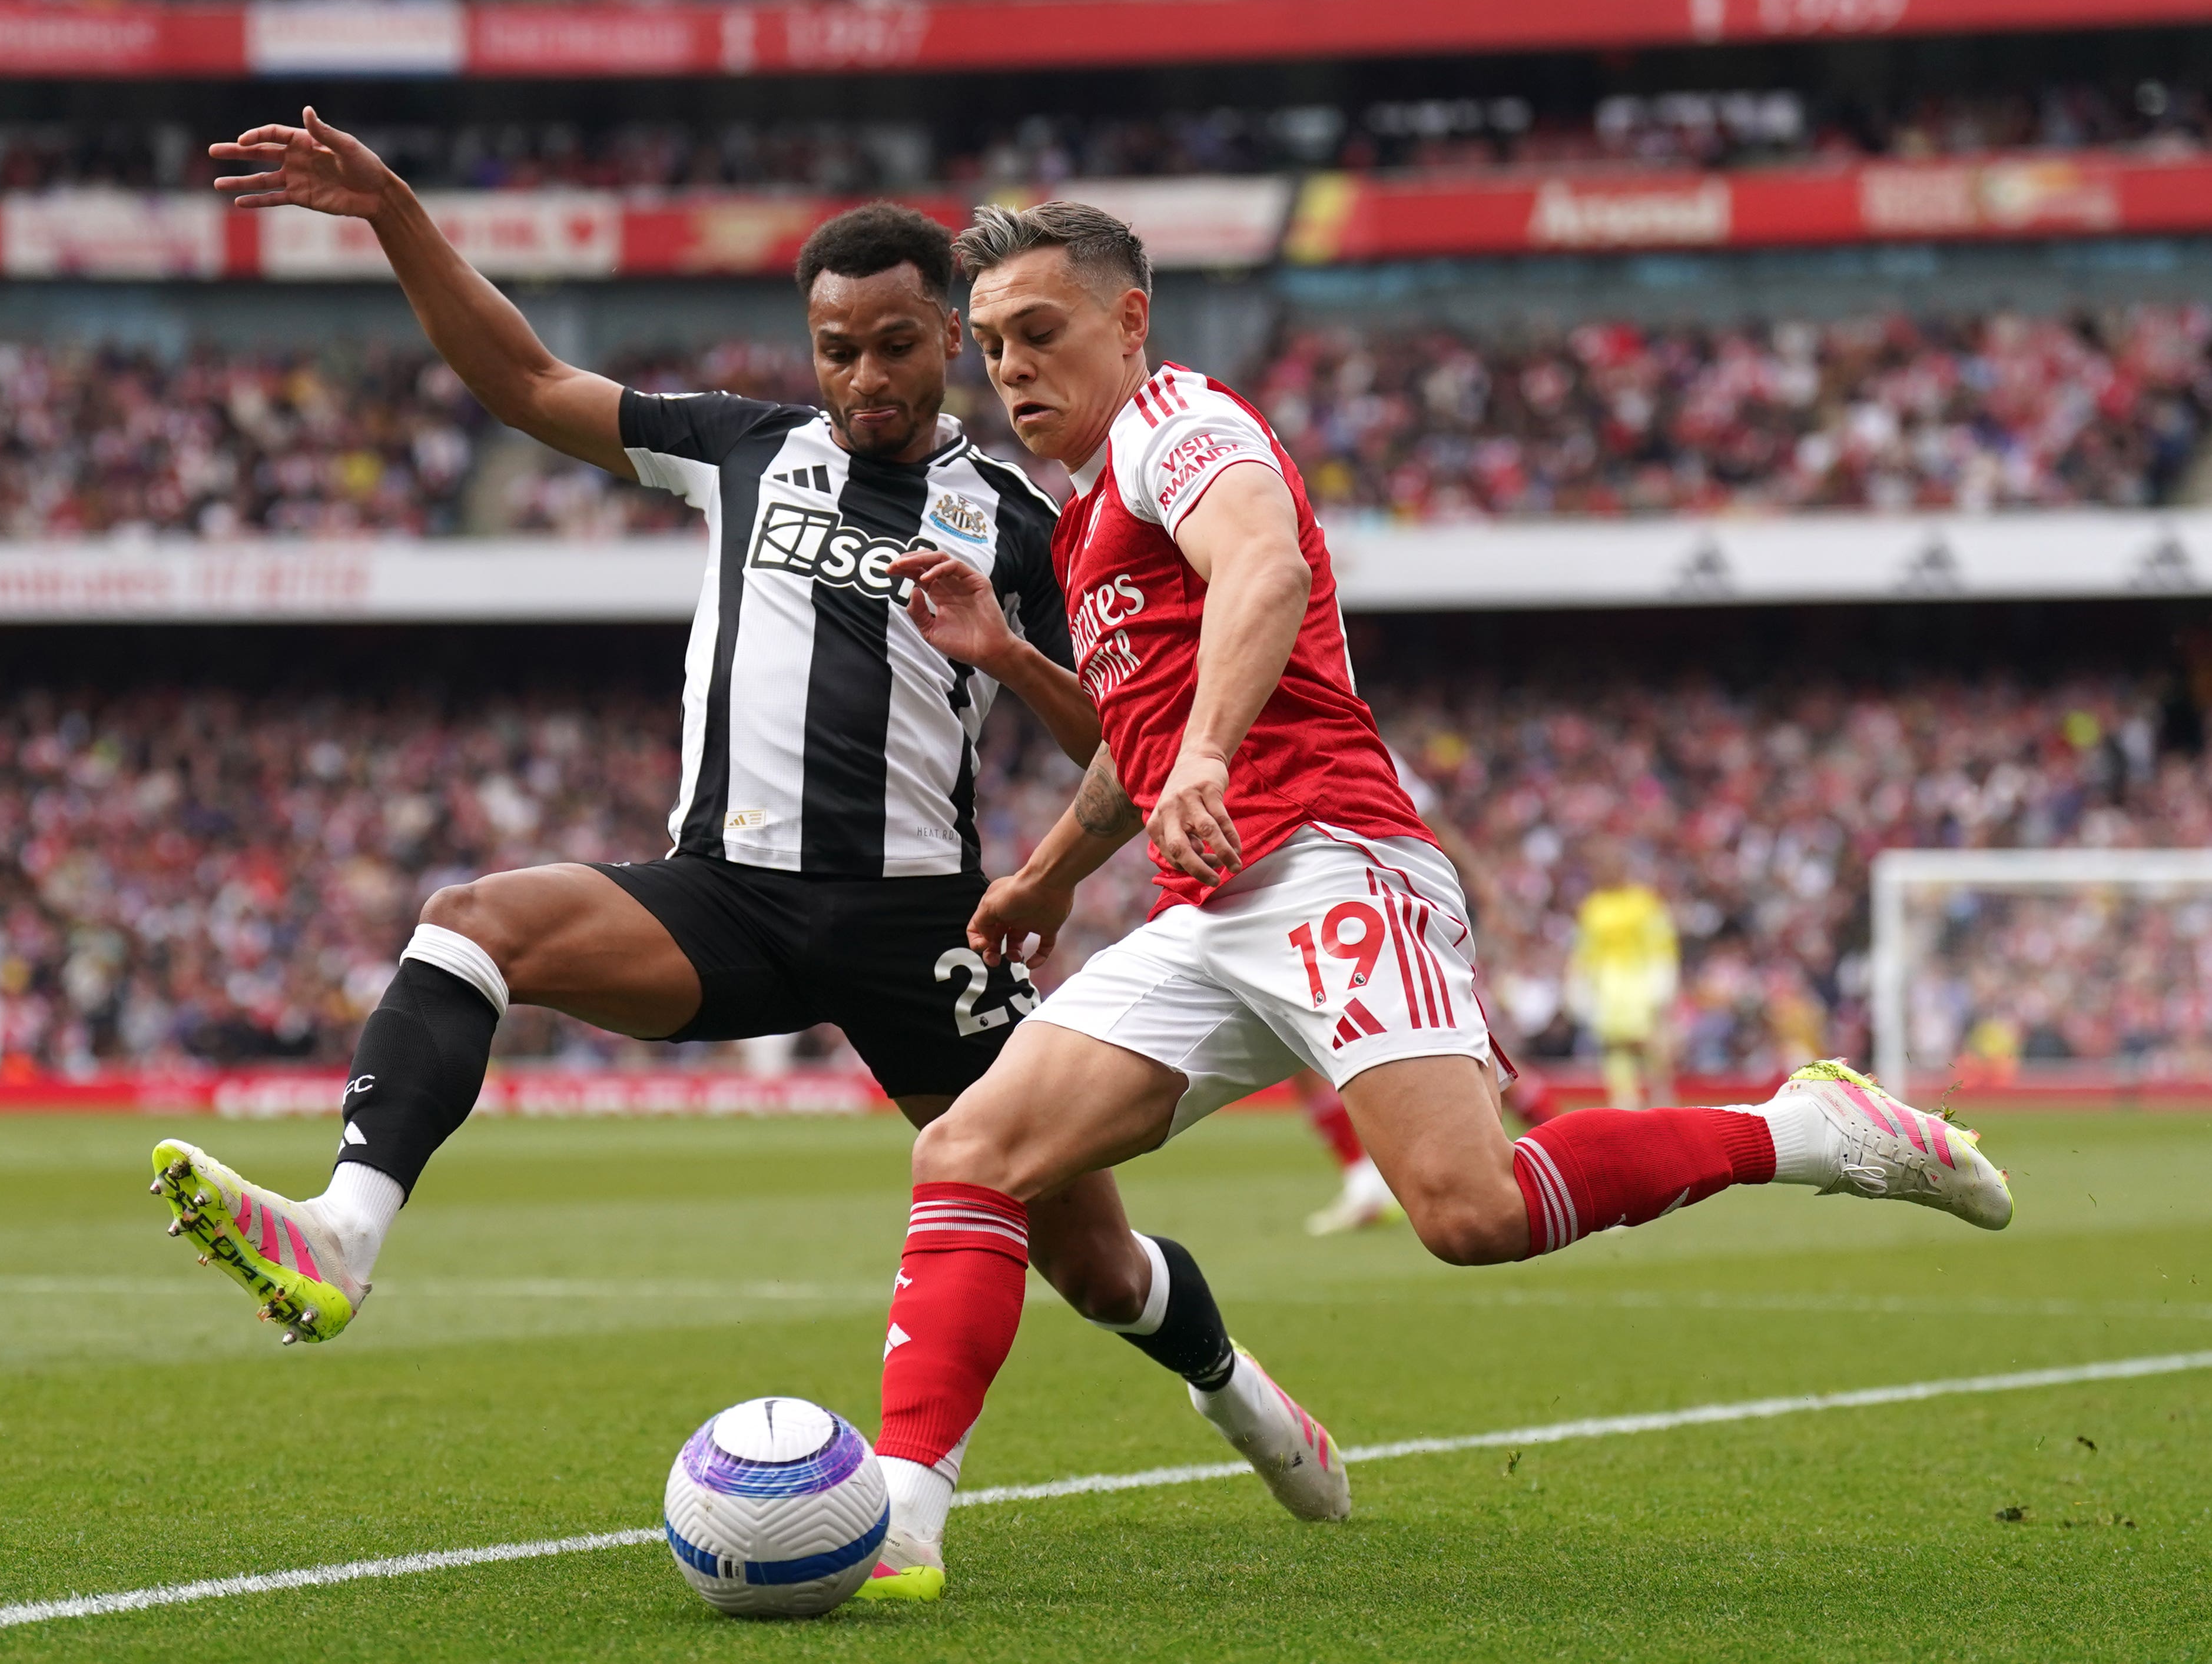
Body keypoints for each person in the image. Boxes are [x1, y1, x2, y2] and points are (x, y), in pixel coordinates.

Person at [147, 111, 1349, 1577]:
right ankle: (341, 1232)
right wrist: (396, 208)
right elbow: (524, 380)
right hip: (719, 894)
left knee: (1090, 1260)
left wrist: (1004, 647)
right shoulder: (738, 448)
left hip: (922, 930)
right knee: (474, 920)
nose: (862, 377)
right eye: (836, 346)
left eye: (896, 344)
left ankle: (1242, 1397)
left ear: (949, 345)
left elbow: (1121, 742)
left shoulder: (1031, 523)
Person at [858, 200, 2014, 1597]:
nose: (1010, 369)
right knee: (968, 1152)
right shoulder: (1091, 509)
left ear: (1129, 321)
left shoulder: (1183, 424)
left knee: (1469, 1212)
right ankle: (899, 1518)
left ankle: (1800, 1128)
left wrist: (1210, 752)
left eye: (1037, 333)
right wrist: (1042, 879)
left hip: (1329, 855)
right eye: (988, 347)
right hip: (1213, 905)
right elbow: (1132, 742)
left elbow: (1266, 568)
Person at [1301, 745, 1557, 1234]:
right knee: (1296, 1046)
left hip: (1386, 900)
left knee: (1466, 1035)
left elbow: (1428, 816)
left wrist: (1482, 886)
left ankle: (1559, 1145)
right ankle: (1363, 1183)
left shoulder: (1350, 735)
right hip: (1321, 909)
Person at [1568, 841, 1680, 1108]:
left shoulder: (1644, 903)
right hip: (1609, 989)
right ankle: (1624, 1102)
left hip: (1640, 984)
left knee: (1650, 1044)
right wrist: (1579, 984)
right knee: (1615, 1048)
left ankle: (1661, 1098)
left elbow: (1661, 943)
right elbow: (1585, 950)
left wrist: (1663, 981)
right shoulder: (1593, 908)